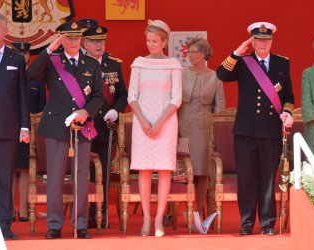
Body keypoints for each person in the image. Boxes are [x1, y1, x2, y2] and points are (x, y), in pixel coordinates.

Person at [216, 22, 294, 235]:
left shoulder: (281, 63)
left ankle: (268, 224)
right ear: (252, 41)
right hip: (245, 131)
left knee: (268, 179)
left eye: (266, 39)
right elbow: (221, 74)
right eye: (258, 39)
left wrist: (287, 113)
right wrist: (236, 53)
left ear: (272, 41)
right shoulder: (243, 62)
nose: (262, 43)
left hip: (270, 132)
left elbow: (288, 97)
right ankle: (247, 223)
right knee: (247, 179)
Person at [27, 21, 103, 239]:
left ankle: (80, 224)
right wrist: (50, 48)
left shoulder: (91, 64)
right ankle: (54, 224)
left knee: (81, 176)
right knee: (55, 178)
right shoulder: (52, 61)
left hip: (82, 126)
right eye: (69, 38)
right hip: (56, 127)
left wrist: (86, 112)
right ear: (61, 39)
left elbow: (98, 94)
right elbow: (32, 73)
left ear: (81, 39)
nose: (73, 42)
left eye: (77, 38)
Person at [128, 19, 182, 237]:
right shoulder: (139, 63)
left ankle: (159, 219)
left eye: (155, 41)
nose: (151, 44)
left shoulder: (173, 65)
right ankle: (147, 219)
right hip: (142, 122)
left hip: (166, 123)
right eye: (148, 40)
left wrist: (159, 122)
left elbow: (176, 98)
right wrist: (142, 121)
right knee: (144, 169)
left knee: (164, 170)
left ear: (164, 41)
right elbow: (132, 96)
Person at [0, 12, 30, 240]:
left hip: (9, 128)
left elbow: (22, 96)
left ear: (5, 32)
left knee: (5, 178)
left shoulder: (16, 59)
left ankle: (3, 225)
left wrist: (25, 127)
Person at [82, 25, 128, 229]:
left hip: (107, 125)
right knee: (87, 171)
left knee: (104, 172)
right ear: (84, 43)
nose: (99, 44)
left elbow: (123, 94)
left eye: (102, 41)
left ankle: (101, 212)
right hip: (86, 125)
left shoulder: (113, 64)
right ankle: (85, 215)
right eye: (94, 41)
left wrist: (117, 110)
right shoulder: (79, 64)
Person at [178, 37, 225, 217]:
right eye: (188, 52)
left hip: (205, 127)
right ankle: (178, 209)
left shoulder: (215, 76)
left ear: (204, 54)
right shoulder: (181, 73)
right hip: (184, 124)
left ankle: (198, 209)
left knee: (202, 169)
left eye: (193, 52)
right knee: (183, 168)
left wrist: (216, 129)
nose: (189, 55)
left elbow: (219, 104)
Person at [11, 42, 46, 222]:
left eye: (25, 52)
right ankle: (9, 209)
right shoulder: (8, 73)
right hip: (9, 129)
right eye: (18, 52)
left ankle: (23, 209)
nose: (22, 55)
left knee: (25, 169)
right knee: (8, 169)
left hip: (29, 132)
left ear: (29, 55)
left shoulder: (36, 78)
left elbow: (41, 107)